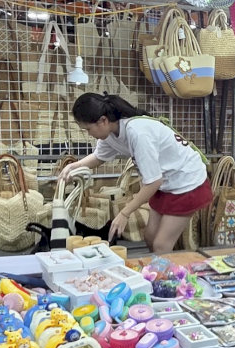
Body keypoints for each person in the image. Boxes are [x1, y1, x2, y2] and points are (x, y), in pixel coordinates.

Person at [58, 93, 211, 253]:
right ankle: (156, 273)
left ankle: (167, 276)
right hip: (166, 183)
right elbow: (98, 157)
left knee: (161, 245)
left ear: (103, 120)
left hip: (187, 183)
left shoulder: (138, 133)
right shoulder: (110, 133)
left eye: (88, 129)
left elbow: (153, 182)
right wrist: (73, 166)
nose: (88, 134)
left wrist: (124, 213)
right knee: (150, 237)